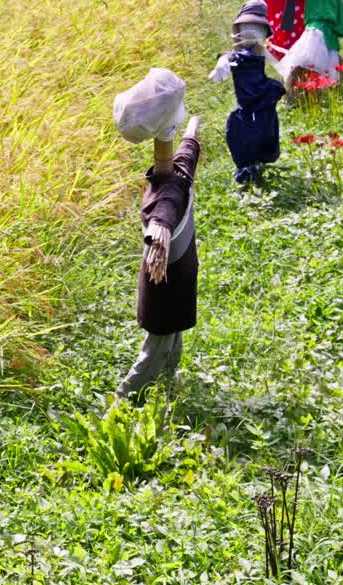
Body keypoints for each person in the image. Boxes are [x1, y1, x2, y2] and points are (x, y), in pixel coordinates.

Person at [117, 115, 203, 400]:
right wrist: (158, 238)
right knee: (155, 349)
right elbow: (162, 219)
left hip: (177, 284)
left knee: (173, 339)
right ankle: (126, 398)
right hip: (164, 287)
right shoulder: (166, 196)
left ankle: (167, 383)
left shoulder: (179, 175)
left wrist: (193, 125)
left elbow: (187, 151)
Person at [212, 0, 286, 184]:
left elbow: (278, 64)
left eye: (257, 27)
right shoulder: (238, 57)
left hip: (262, 95)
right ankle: (247, 168)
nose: (251, 31)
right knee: (242, 133)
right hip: (247, 102)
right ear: (238, 29)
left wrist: (288, 70)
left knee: (265, 130)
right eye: (247, 26)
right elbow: (228, 56)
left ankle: (258, 163)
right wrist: (223, 61)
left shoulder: (260, 52)